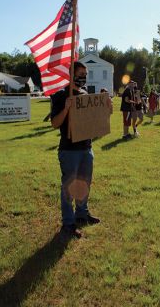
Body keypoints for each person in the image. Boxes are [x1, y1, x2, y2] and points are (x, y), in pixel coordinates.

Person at [51, 61, 100, 240]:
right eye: (80, 75)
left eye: (85, 75)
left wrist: (106, 108)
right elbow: (55, 123)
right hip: (69, 151)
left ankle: (82, 213)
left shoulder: (86, 95)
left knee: (84, 184)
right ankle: (68, 223)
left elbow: (94, 120)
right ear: (71, 75)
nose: (83, 78)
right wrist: (67, 108)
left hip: (86, 148)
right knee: (68, 188)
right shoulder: (60, 96)